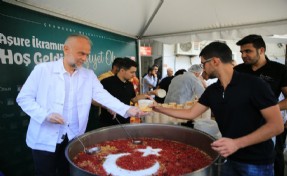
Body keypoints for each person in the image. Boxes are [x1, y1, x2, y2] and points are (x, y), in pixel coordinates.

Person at [16, 34, 144, 176]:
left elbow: (103, 96)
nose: (84, 58)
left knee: (68, 172)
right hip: (44, 137)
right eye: (81, 53)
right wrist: (45, 115)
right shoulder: (43, 70)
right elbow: (24, 98)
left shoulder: (88, 75)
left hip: (73, 137)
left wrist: (127, 109)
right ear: (66, 49)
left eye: (87, 55)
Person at [152, 41, 284, 176]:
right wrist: (158, 108)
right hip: (228, 157)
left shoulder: (255, 84)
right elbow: (191, 113)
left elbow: (277, 125)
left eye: (203, 64)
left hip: (256, 161)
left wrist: (236, 144)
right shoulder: (213, 90)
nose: (203, 68)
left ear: (215, 61)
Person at [234, 34, 287, 176]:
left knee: (274, 158)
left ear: (261, 50)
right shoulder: (239, 70)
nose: (243, 55)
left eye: (248, 51)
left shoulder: (279, 70)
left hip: (270, 123)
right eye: (241, 52)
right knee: (244, 158)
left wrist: (271, 109)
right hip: (243, 124)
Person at [99, 58, 150, 126]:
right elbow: (97, 100)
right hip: (108, 122)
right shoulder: (106, 82)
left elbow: (133, 99)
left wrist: (147, 95)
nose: (134, 75)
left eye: (135, 72)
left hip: (125, 121)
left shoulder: (129, 84)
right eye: (132, 72)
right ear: (122, 70)